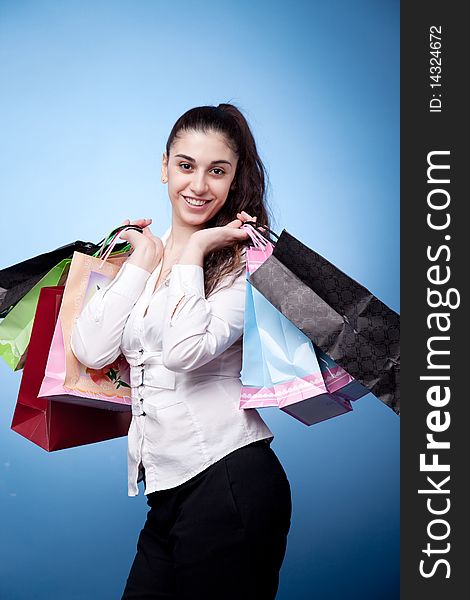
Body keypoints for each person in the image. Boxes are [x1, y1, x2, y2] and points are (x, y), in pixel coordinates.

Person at [70, 103, 292, 600]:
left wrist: (194, 253)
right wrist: (141, 263)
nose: (198, 185)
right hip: (167, 494)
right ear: (164, 165)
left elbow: (184, 352)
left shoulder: (246, 263)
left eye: (218, 171)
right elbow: (92, 348)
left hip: (230, 481)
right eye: (186, 165)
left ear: (235, 179)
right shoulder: (146, 252)